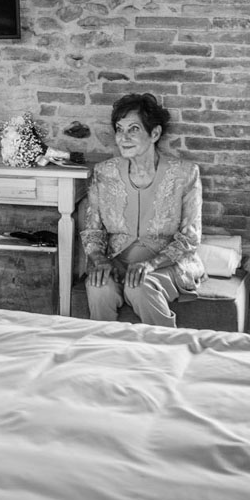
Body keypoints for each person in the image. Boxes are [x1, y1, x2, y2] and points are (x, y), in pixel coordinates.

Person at [79, 92, 205, 327]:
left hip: (167, 265)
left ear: (154, 134)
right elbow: (93, 231)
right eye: (119, 129)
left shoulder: (185, 174)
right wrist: (99, 260)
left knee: (139, 286)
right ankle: (104, 347)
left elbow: (190, 238)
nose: (123, 137)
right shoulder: (104, 173)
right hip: (117, 261)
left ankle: (163, 345)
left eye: (134, 129)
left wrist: (151, 265)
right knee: (98, 286)